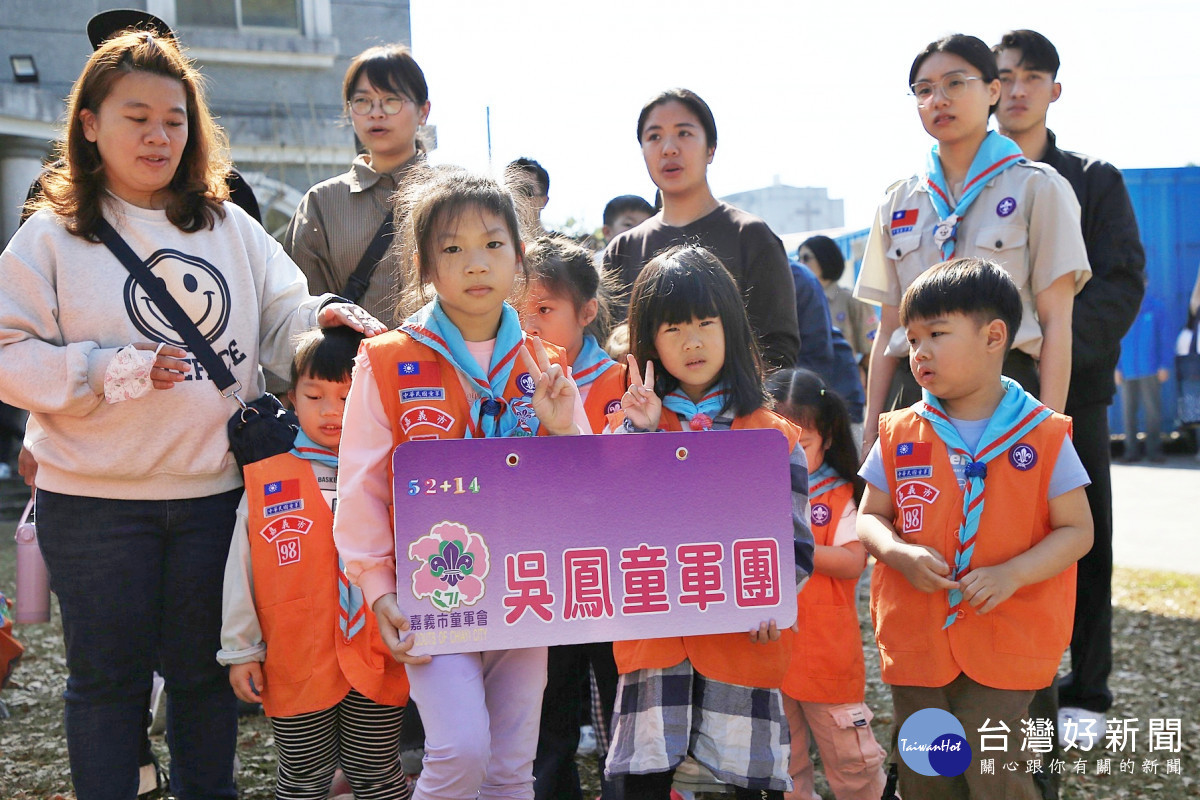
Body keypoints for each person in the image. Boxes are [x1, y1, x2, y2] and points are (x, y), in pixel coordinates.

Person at [0, 30, 383, 800]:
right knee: (106, 687)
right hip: (94, 502)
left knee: (206, 683)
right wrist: (105, 370)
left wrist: (328, 315)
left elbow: (284, 316)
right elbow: (8, 352)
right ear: (88, 125)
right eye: (136, 116)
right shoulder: (48, 237)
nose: (158, 135)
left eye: (174, 119)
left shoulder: (229, 227)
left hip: (215, 498)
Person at [334, 167, 586, 800]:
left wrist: (564, 429)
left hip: (526, 587)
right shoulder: (387, 358)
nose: (476, 263)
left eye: (493, 244)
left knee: (509, 767)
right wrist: (377, 587)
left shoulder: (546, 364)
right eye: (453, 249)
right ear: (426, 267)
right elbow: (361, 482)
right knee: (459, 750)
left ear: (520, 256)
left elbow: (586, 488)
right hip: (430, 592)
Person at [857, 259, 1093, 800]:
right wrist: (897, 554)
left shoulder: (1045, 434)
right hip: (919, 641)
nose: (920, 352)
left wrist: (1013, 573)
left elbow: (1078, 531)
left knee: (994, 768)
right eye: (912, 339)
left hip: (1009, 640)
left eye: (937, 334)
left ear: (993, 336)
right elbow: (870, 516)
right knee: (927, 772)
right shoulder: (899, 432)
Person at [602, 244, 814, 800]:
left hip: (743, 641)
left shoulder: (774, 436)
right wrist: (640, 435)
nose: (692, 341)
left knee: (744, 784)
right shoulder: (634, 426)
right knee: (640, 781)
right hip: (656, 644)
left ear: (733, 329)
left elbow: (796, 547)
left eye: (705, 322)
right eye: (673, 328)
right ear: (649, 341)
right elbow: (607, 522)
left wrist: (776, 603)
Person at [993, 29, 1147, 746]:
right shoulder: (969, 179)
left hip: (1071, 392)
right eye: (1003, 76)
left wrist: (1054, 357)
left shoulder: (1094, 179)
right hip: (978, 398)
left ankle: (1086, 688)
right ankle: (1006, 684)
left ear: (1055, 89)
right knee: (991, 539)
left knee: (1082, 537)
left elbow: (1121, 284)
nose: (1016, 89)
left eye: (1032, 76)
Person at [853, 34, 1090, 458]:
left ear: (992, 90)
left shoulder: (1039, 187)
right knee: (913, 523)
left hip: (1007, 393)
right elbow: (888, 330)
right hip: (915, 396)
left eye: (955, 83)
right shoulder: (897, 201)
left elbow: (1057, 323)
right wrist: (872, 428)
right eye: (924, 90)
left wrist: (1050, 431)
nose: (939, 99)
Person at [218, 326, 412, 798]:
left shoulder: (394, 476)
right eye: (315, 395)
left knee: (378, 774)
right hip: (296, 656)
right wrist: (241, 649)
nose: (332, 411)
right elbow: (240, 571)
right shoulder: (268, 481)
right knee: (302, 779)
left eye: (348, 397)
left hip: (377, 650)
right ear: (290, 398)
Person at [517, 236, 626, 800]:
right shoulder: (510, 381)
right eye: (521, 309)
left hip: (611, 574)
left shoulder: (622, 383)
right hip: (545, 572)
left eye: (544, 309)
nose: (529, 323)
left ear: (586, 313)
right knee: (549, 709)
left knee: (618, 699)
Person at [603, 89, 800, 371]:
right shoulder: (622, 250)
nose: (669, 148)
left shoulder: (751, 236)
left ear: (711, 148)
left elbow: (779, 350)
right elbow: (608, 347)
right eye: (654, 136)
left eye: (684, 133)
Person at [766, 368, 886, 800]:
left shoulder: (838, 496)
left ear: (829, 437)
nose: (790, 457)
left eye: (804, 444)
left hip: (826, 657)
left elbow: (855, 560)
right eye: (775, 444)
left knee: (851, 761)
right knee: (783, 763)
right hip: (771, 655)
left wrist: (792, 547)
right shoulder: (754, 492)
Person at [286, 44, 431, 327]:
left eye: (392, 100)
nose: (376, 113)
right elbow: (298, 313)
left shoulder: (454, 195)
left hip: (445, 367)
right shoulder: (322, 203)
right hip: (353, 368)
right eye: (363, 101)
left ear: (423, 111)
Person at [798, 235, 877, 367]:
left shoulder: (851, 300)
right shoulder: (800, 303)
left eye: (806, 258)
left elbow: (872, 348)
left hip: (845, 382)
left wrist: (859, 374)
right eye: (799, 259)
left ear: (825, 258)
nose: (801, 264)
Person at [1116, 293, 1169, 463]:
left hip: (1151, 369)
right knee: (1128, 413)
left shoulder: (1156, 308)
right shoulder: (1124, 309)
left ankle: (1154, 451)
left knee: (1153, 412)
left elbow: (1165, 338)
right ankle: (1131, 452)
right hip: (1127, 369)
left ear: (1146, 283)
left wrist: (1164, 364)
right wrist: (1117, 367)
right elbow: (1116, 340)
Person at [509, 156, 552, 234]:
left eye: (524, 190)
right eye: (508, 190)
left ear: (543, 202)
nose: (514, 197)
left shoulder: (563, 245)